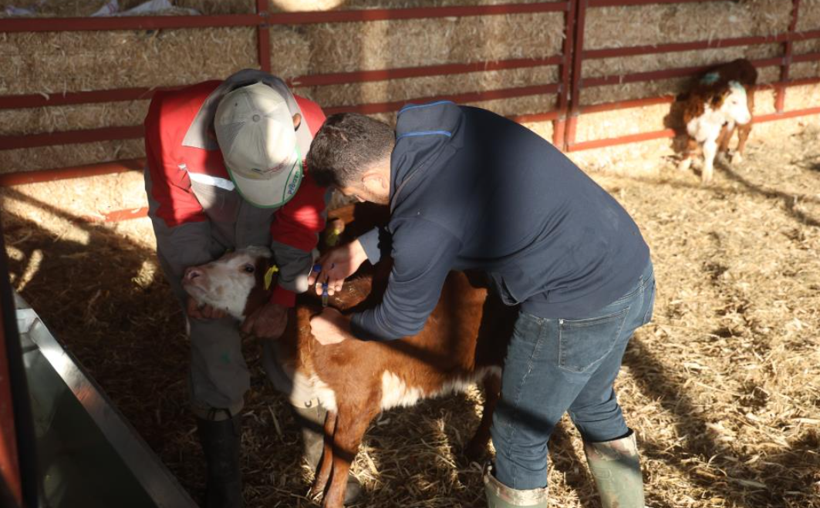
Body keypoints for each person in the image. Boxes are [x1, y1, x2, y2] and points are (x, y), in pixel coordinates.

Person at [305, 102, 655, 508]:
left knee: (517, 434)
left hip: (574, 303)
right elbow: (439, 206)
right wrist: (361, 247)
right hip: (629, 265)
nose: (356, 199)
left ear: (370, 178)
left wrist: (343, 327)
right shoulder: (449, 124)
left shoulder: (422, 226)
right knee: (593, 401)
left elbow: (402, 316)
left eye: (353, 193)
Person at [143, 69, 360, 508]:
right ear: (215, 137)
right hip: (206, 237)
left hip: (274, 237)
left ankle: (317, 448)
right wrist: (201, 286)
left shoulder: (312, 127)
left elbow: (300, 223)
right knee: (213, 344)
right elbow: (176, 210)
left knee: (294, 334)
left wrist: (282, 298)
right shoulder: (171, 121)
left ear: (294, 126)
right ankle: (225, 485)